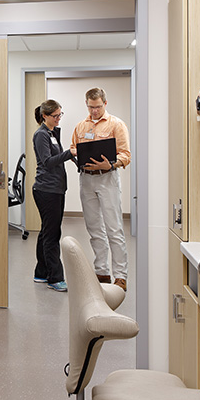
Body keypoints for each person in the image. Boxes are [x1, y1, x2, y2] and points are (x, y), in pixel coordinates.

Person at [69, 88, 131, 291]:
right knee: (94, 228)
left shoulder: (116, 124)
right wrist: (76, 154)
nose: (94, 111)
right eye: (90, 107)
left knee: (114, 229)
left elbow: (125, 155)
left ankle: (120, 275)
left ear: (105, 103)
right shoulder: (80, 126)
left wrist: (110, 165)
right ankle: (102, 271)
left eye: (97, 107)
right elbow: (73, 148)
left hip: (107, 179)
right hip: (86, 179)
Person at [31, 100, 75, 292]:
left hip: (55, 188)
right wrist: (69, 153)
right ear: (45, 116)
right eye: (55, 116)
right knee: (52, 234)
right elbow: (48, 162)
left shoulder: (51, 133)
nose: (58, 118)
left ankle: (41, 272)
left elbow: (59, 156)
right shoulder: (41, 135)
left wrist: (76, 158)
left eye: (60, 115)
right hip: (46, 190)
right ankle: (55, 278)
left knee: (46, 231)